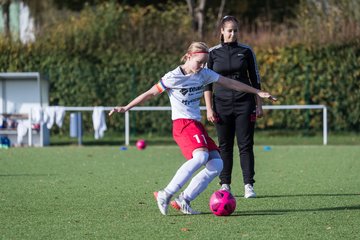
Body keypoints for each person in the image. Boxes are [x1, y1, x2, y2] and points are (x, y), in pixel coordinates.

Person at [109, 42, 276, 215]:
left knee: (217, 164)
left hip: (196, 125)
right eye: (199, 62)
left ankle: (184, 200)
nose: (202, 67)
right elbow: (150, 93)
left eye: (205, 63)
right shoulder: (172, 77)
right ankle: (165, 194)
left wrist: (256, 92)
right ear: (188, 56)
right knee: (201, 156)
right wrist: (126, 107)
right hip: (182, 124)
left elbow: (230, 83)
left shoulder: (204, 74)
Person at [204, 16, 263, 198]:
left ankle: (248, 185)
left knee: (246, 145)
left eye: (236, 30)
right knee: (225, 146)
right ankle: (225, 184)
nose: (233, 33)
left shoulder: (246, 51)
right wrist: (209, 108)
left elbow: (255, 80)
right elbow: (206, 83)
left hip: (245, 103)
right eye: (229, 30)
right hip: (221, 105)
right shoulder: (212, 53)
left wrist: (258, 105)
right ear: (222, 31)